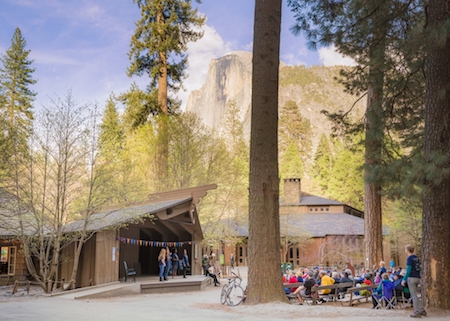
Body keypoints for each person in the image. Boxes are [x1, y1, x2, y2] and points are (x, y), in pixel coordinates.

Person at [402, 244, 426, 318]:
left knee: (413, 295)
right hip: (417, 277)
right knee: (415, 295)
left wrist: (404, 279)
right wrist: (419, 275)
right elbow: (420, 268)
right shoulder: (416, 258)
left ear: (407, 250)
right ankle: (421, 309)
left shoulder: (409, 258)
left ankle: (416, 311)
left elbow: (408, 270)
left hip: (411, 277)